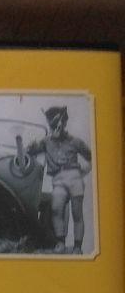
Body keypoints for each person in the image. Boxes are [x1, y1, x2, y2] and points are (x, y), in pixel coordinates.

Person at [27, 106, 93, 254]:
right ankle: (60, 242)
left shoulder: (75, 141)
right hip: (58, 179)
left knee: (77, 213)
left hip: (74, 177)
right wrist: (30, 146)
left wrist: (84, 171)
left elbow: (92, 156)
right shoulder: (46, 142)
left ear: (64, 123)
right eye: (53, 125)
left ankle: (77, 247)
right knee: (56, 209)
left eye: (60, 123)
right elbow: (30, 151)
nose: (57, 127)